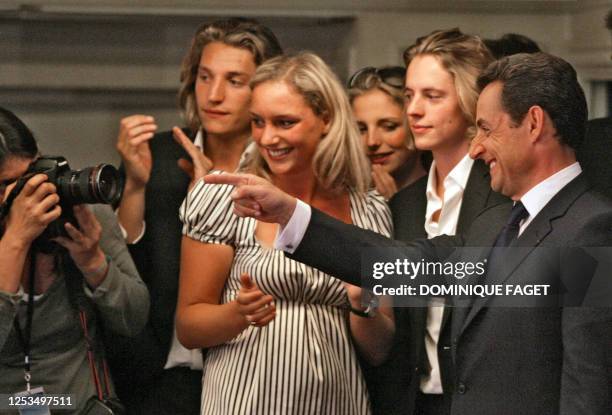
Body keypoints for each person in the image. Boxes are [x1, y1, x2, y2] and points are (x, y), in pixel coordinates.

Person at [205, 52, 612, 415]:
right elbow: (404, 264)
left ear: (535, 124)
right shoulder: (495, 222)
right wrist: (290, 213)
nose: (476, 149)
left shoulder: (590, 229)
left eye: (486, 129)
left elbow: (589, 385)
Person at [176, 52, 395, 415]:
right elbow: (188, 326)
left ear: (325, 119)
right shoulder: (223, 198)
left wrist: (362, 304)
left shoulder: (369, 211)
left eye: (284, 122)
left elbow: (380, 350)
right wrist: (238, 313)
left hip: (340, 403)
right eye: (258, 122)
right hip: (245, 402)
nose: (268, 137)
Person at [107, 17, 282, 414]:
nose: (214, 95)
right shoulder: (160, 155)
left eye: (235, 81)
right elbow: (123, 270)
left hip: (251, 374)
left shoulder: (279, 164)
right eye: (205, 77)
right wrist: (134, 186)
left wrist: (214, 199)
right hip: (159, 376)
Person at [367, 29, 504, 415]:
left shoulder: (502, 195)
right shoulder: (403, 206)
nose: (413, 110)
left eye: (432, 96)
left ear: (469, 102)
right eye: (409, 96)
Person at [0, 107, 149, 414]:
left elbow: (134, 318)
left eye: (30, 176)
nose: (29, 194)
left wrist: (93, 260)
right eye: (9, 184)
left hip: (82, 403)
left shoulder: (80, 216)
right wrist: (15, 240)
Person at [348, 65, 427, 201]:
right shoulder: (344, 199)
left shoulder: (443, 194)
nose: (372, 141)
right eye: (361, 129)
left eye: (389, 126)